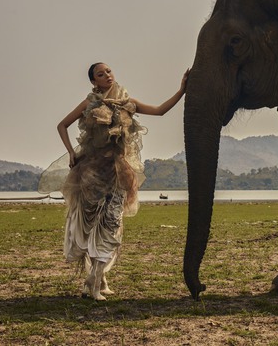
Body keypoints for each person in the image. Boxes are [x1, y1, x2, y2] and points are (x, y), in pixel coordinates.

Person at [40, 62, 189, 300]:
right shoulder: (90, 103)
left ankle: (96, 279)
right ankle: (95, 281)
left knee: (111, 225)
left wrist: (181, 90)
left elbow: (160, 110)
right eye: (101, 74)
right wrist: (70, 152)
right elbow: (62, 125)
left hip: (118, 173)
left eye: (108, 71)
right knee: (91, 227)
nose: (107, 75)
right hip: (91, 174)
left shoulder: (128, 103)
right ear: (93, 81)